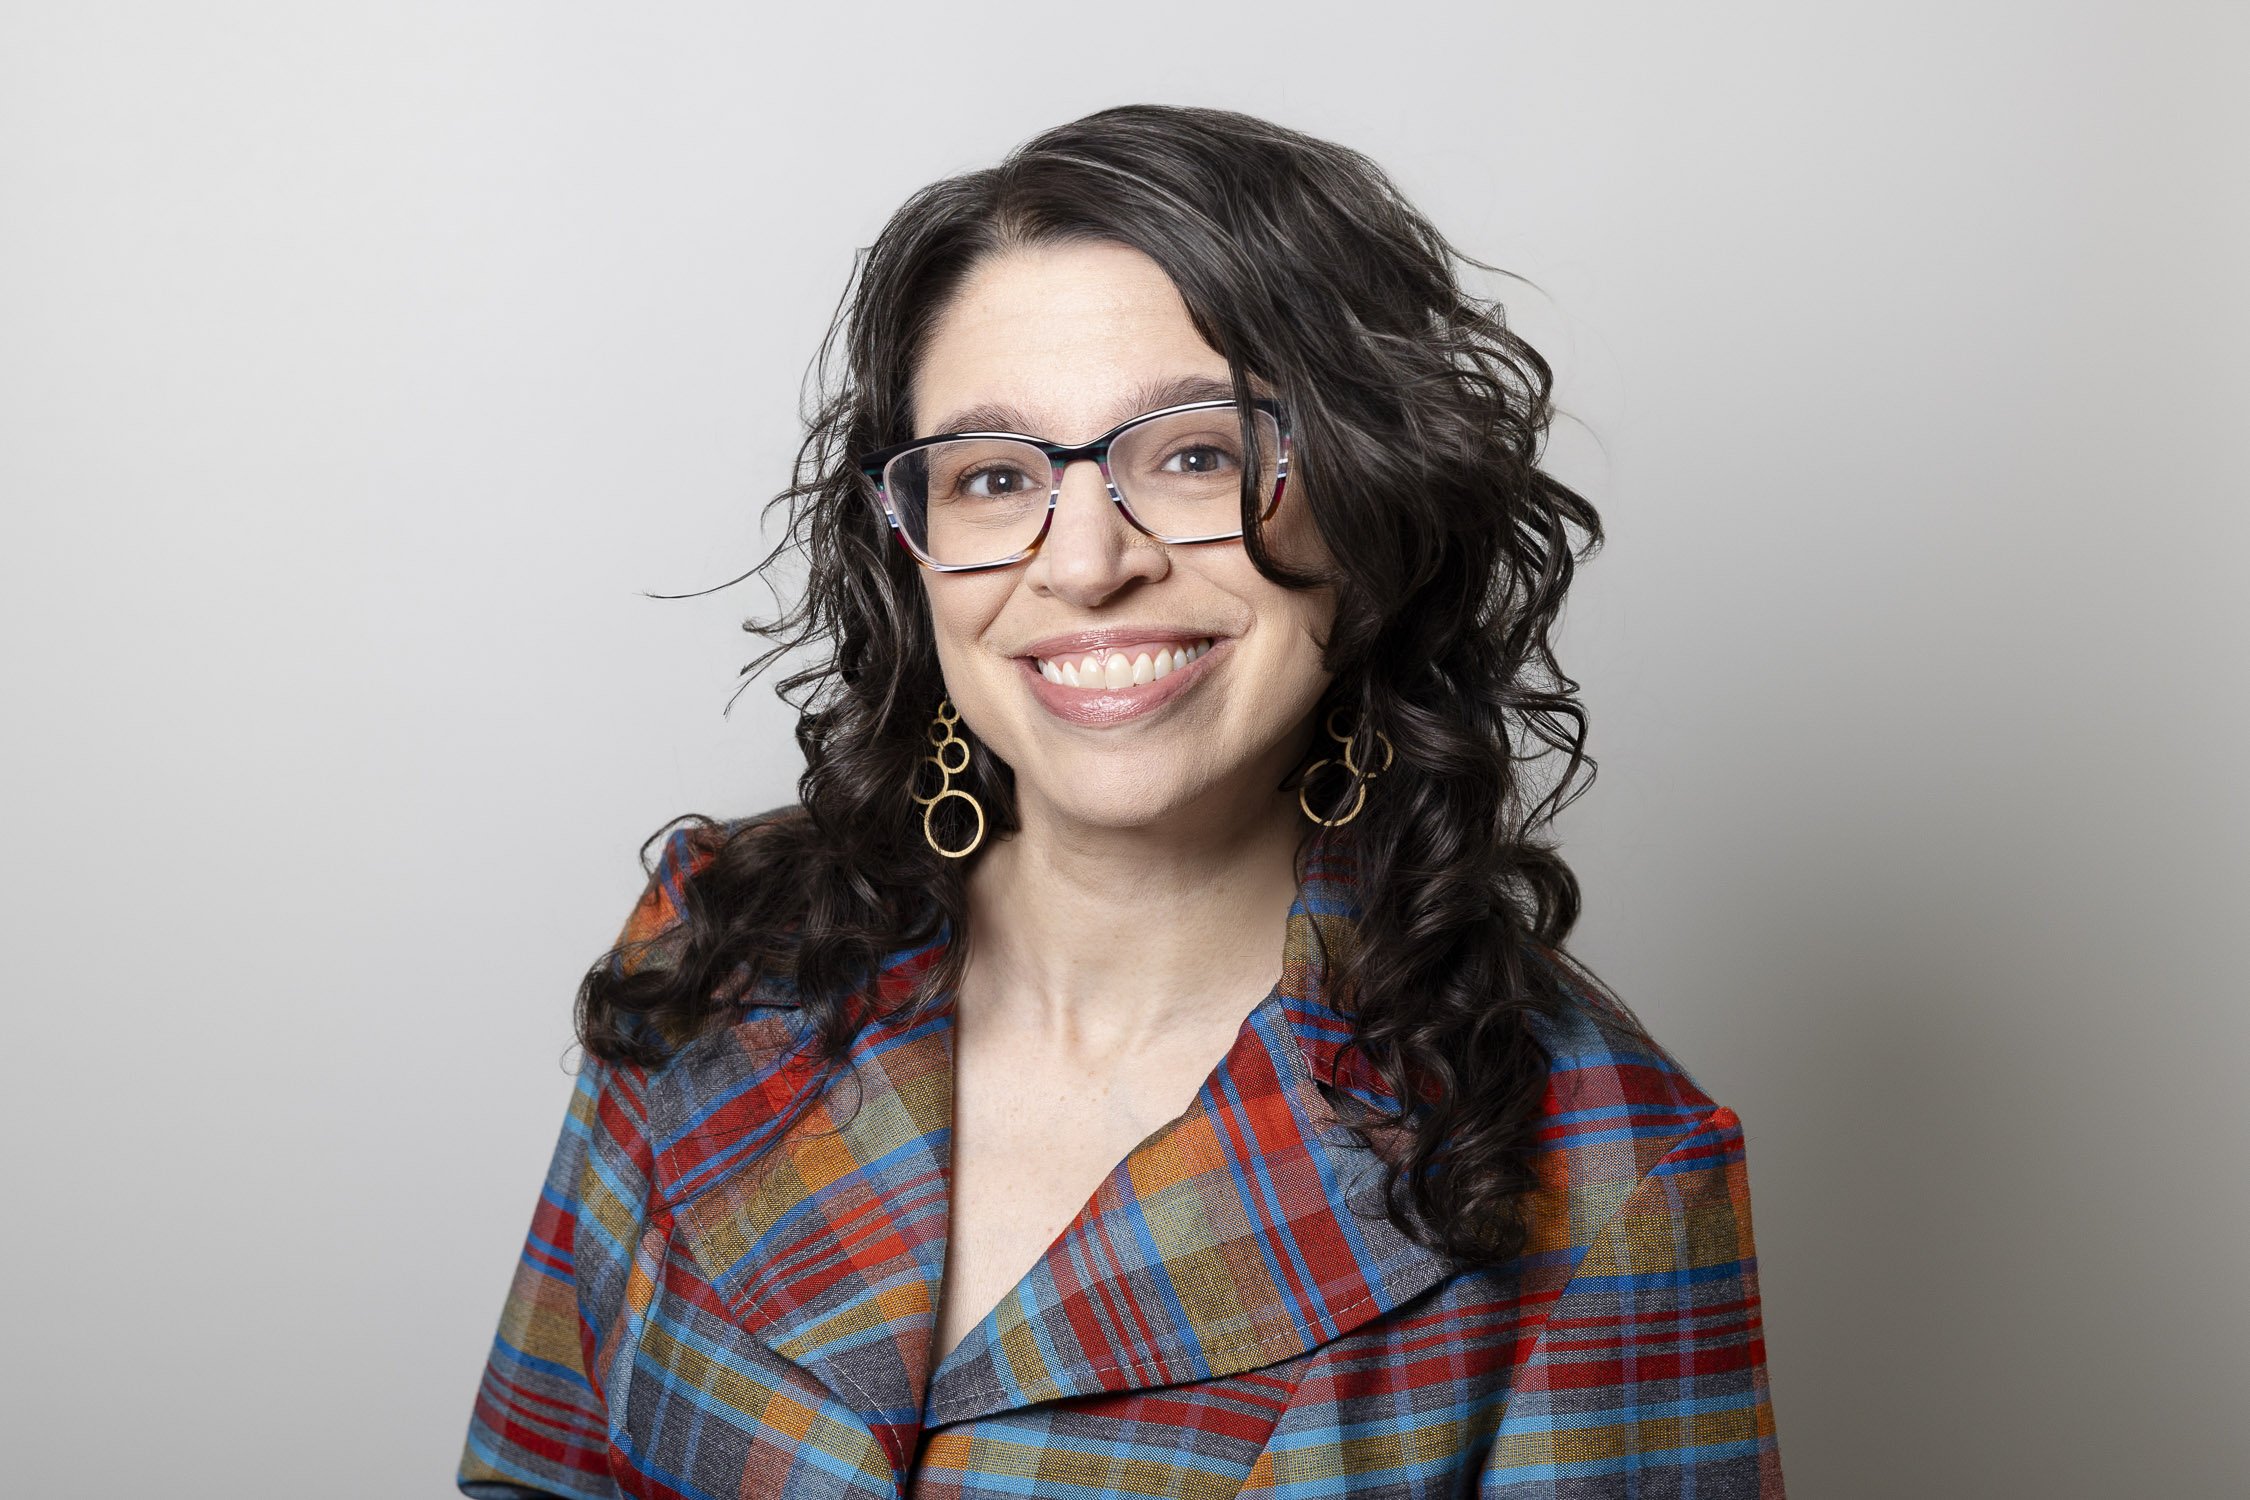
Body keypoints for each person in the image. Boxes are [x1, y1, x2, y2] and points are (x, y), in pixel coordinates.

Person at [457, 104, 1785, 1499]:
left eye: (1196, 455)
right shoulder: (717, 952)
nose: (1084, 563)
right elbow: (537, 1475)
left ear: (1367, 500)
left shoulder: (1601, 1169)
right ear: (910, 551)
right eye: (990, 476)